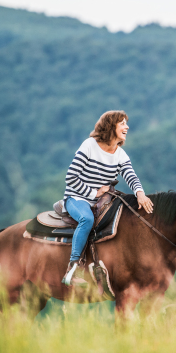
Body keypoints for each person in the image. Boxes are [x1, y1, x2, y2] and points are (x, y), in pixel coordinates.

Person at [61, 110, 154, 287]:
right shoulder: (89, 145)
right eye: (122, 123)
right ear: (111, 126)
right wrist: (93, 193)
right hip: (77, 197)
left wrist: (140, 193)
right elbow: (71, 177)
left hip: (101, 201)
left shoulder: (120, 155)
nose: (127, 126)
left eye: (126, 123)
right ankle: (73, 269)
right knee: (86, 219)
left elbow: (131, 176)